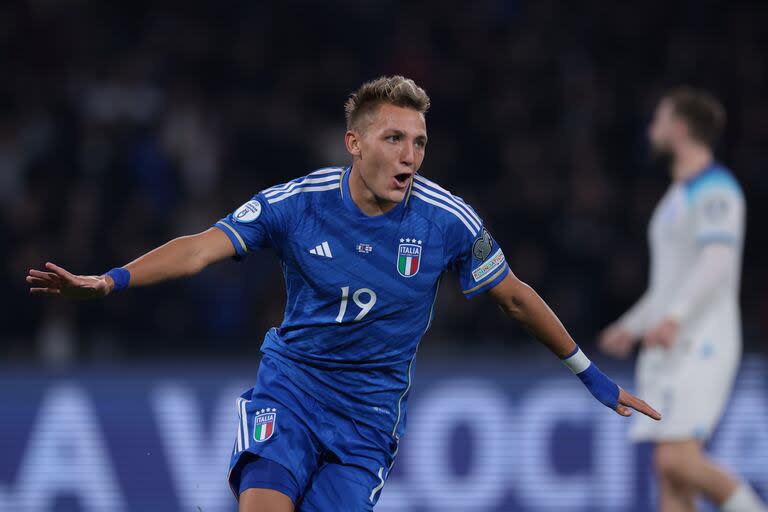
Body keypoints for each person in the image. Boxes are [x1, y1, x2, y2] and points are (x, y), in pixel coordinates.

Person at [28, 75, 660, 512]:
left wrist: (591, 377)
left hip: (367, 423)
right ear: (354, 144)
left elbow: (516, 297)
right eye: (393, 139)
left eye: (419, 143)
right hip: (293, 392)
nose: (410, 155)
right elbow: (199, 247)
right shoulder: (297, 204)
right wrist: (109, 280)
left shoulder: (447, 220)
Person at [600, 87, 766, 512]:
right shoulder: (676, 197)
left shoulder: (717, 190)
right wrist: (631, 326)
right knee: (668, 472)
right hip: (673, 344)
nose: (652, 128)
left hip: (704, 339)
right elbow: (668, 285)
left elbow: (716, 263)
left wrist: (674, 317)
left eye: (659, 119)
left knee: (677, 458)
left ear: (679, 128)